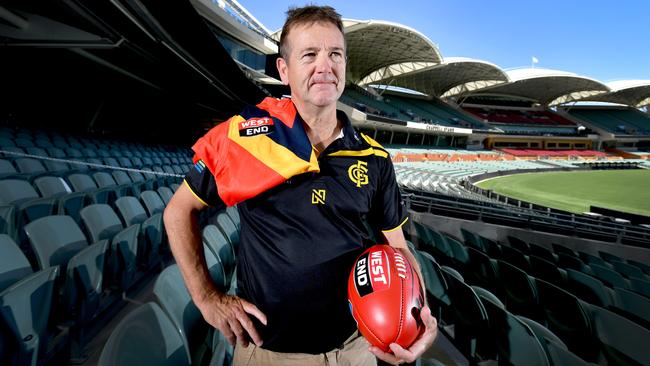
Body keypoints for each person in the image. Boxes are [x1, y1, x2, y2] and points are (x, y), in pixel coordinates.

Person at [163, 5, 438, 365]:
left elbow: (398, 250)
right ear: (284, 69)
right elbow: (179, 210)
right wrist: (207, 298)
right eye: (310, 54)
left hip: (357, 348)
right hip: (270, 353)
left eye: (335, 54)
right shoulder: (247, 137)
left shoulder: (375, 158)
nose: (325, 66)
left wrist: (419, 314)